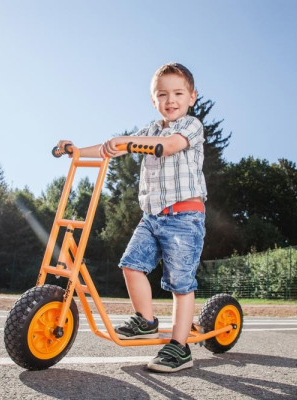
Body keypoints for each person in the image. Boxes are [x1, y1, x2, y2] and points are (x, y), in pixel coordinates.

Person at [56, 62, 206, 373]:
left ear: (192, 97)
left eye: (178, 93)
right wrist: (77, 152)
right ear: (154, 100)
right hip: (152, 217)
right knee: (131, 265)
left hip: (185, 216)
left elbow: (169, 146)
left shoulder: (191, 126)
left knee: (180, 283)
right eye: (162, 94)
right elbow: (112, 149)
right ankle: (147, 321)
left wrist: (126, 140)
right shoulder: (149, 130)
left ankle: (179, 347)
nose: (171, 100)